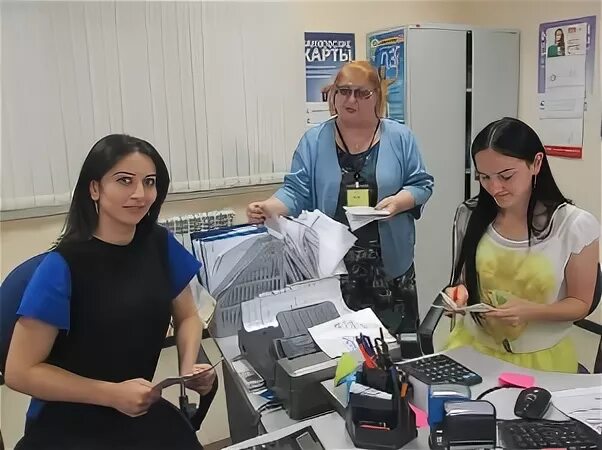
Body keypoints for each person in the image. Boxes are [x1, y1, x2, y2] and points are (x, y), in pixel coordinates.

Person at [5, 135, 216, 449]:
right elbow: (20, 372)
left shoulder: (159, 245)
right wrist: (111, 394)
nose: (139, 194)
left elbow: (187, 316)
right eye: (124, 181)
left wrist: (188, 367)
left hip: (137, 408)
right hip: (70, 420)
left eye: (149, 182)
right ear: (94, 188)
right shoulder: (62, 266)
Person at [247, 61, 433, 336]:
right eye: (343, 91)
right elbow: (296, 189)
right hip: (333, 268)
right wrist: (268, 208)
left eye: (362, 93)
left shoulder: (400, 137)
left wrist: (399, 202)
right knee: (341, 350)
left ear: (377, 97)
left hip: (390, 268)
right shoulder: (314, 140)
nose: (351, 99)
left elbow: (421, 184)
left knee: (395, 352)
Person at [444, 117, 599, 373]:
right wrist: (459, 293)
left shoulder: (574, 225)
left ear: (536, 163)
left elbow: (580, 303)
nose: (495, 188)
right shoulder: (470, 214)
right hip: (472, 348)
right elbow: (461, 279)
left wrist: (531, 311)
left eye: (506, 176)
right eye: (484, 177)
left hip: (539, 357)